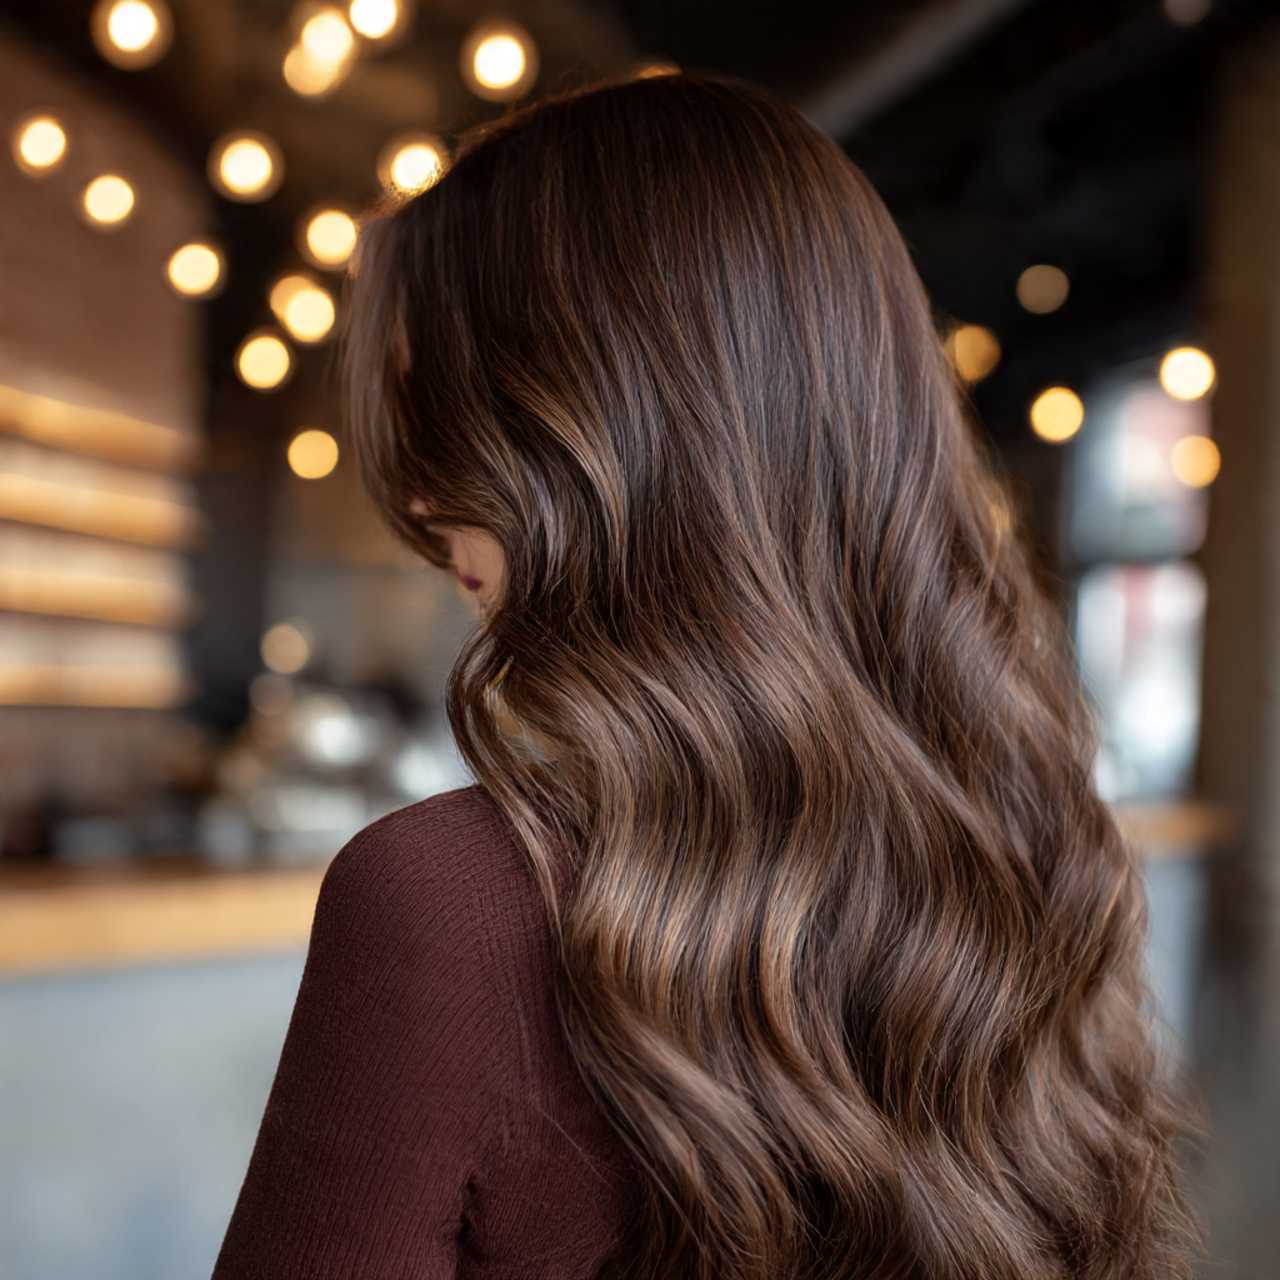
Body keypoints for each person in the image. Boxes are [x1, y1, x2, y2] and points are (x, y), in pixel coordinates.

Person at [213, 74, 1196, 1280]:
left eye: (449, 422)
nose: (418, 498)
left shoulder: (447, 903)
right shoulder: (1031, 849)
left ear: (605, 427)